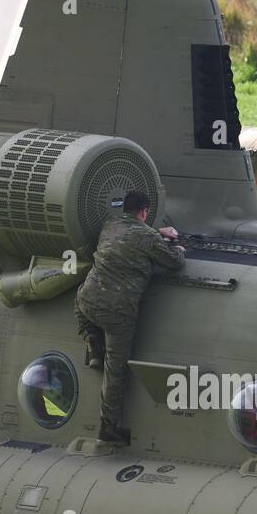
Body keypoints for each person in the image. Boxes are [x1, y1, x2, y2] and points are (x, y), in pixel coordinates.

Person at [74, 189, 186, 445]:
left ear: (125, 208)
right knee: (115, 368)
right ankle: (108, 426)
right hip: (118, 313)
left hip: (89, 301)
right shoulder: (147, 237)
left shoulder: (110, 225)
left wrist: (156, 233)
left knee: (80, 295)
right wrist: (177, 246)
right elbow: (174, 262)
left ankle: (90, 337)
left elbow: (130, 235)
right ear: (145, 212)